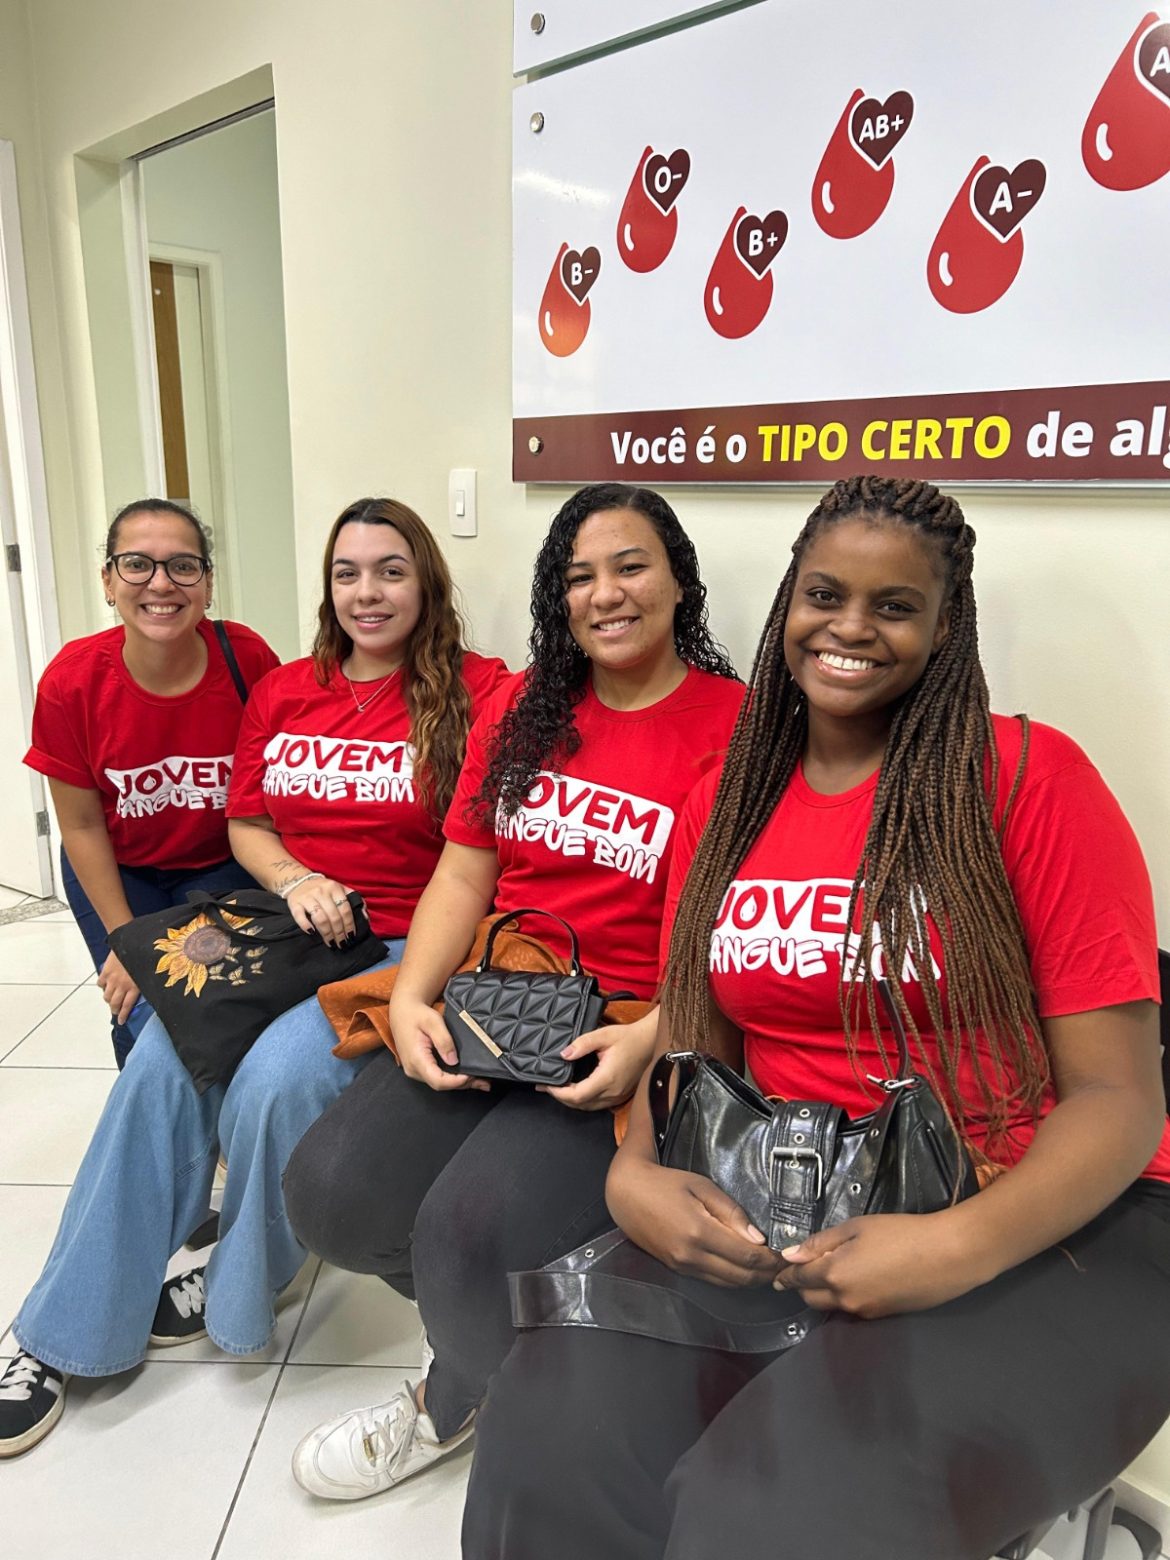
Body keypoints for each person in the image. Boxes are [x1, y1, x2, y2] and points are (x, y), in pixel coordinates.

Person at [462, 474, 1170, 1560]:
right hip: (783, 1204)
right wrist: (635, 1180)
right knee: (543, 1445)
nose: (849, 628)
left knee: (768, 1513)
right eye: (825, 594)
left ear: (945, 628)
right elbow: (692, 1056)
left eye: (894, 606)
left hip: (1035, 1215)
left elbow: (1120, 1101)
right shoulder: (731, 799)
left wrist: (956, 1246)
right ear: (788, 601)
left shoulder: (1030, 779)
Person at [0, 497, 508, 1459]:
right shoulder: (287, 690)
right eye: (348, 572)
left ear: (426, 580)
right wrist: (296, 877)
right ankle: (55, 1335)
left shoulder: (480, 690)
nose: (368, 592)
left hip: (409, 941)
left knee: (277, 1078)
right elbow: (246, 823)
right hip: (288, 923)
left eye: (391, 570)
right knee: (160, 1055)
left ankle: (234, 1284)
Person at [283, 482, 744, 1501]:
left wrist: (659, 1038)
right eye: (579, 575)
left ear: (677, 578)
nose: (607, 594)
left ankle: (458, 1393)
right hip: (499, 999)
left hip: (621, 1029)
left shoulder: (736, 725)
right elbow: (463, 868)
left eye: (631, 566)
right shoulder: (526, 704)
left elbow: (730, 933)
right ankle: (493, 1341)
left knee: (470, 1233)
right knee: (329, 1194)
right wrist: (411, 995)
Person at [24, 498, 278, 1064]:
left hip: (222, 862)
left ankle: (227, 1139)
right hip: (120, 868)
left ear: (208, 584)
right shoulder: (72, 682)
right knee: (140, 1004)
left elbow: (274, 788)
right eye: (137, 564)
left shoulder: (248, 658)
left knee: (223, 1001)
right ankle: (153, 1141)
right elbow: (82, 824)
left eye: (182, 566)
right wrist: (127, 941)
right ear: (109, 581)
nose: (160, 584)